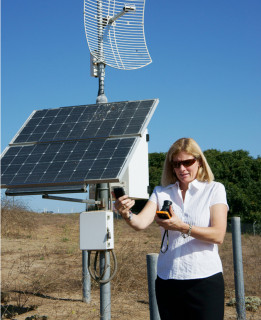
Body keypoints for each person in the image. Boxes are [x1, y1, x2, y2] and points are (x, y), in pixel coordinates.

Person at [114, 137, 228, 320]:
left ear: (199, 162)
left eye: (187, 162)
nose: (182, 169)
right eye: (176, 164)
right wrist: (126, 213)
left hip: (204, 280)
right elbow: (140, 223)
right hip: (168, 279)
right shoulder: (161, 192)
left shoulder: (214, 190)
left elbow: (218, 235)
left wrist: (181, 226)